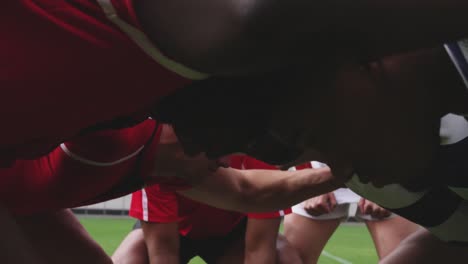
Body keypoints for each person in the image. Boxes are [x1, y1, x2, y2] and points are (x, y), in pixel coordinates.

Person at [0, 121, 334, 263]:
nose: (225, 161)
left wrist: (342, 174)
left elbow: (247, 191)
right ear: (191, 137)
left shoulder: (169, 163)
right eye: (220, 150)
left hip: (31, 203)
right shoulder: (109, 137)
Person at [112, 155, 299, 264]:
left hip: (232, 232)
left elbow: (259, 249)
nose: (225, 162)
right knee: (125, 260)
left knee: (286, 259)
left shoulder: (262, 160)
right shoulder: (161, 162)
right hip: (174, 231)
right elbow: (163, 251)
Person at [283, 161, 420, 264]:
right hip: (319, 169)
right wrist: (309, 176)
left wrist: (386, 180)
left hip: (383, 174)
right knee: (291, 259)